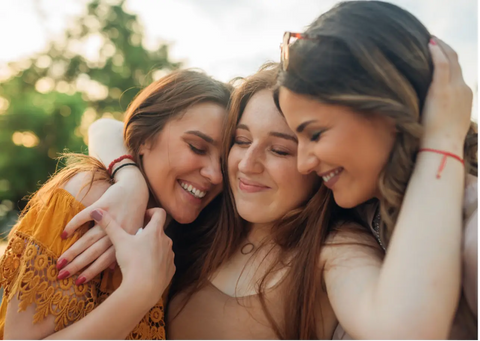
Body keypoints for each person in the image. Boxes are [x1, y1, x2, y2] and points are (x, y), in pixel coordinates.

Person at [275, 1, 477, 339]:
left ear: (389, 109)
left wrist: (441, 138)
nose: (304, 163)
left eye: (315, 134)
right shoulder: (362, 217)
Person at [0, 69, 231, 340]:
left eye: (224, 161)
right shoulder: (94, 198)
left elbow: (106, 128)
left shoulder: (183, 230)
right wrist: (140, 291)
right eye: (197, 147)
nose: (215, 175)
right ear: (145, 138)